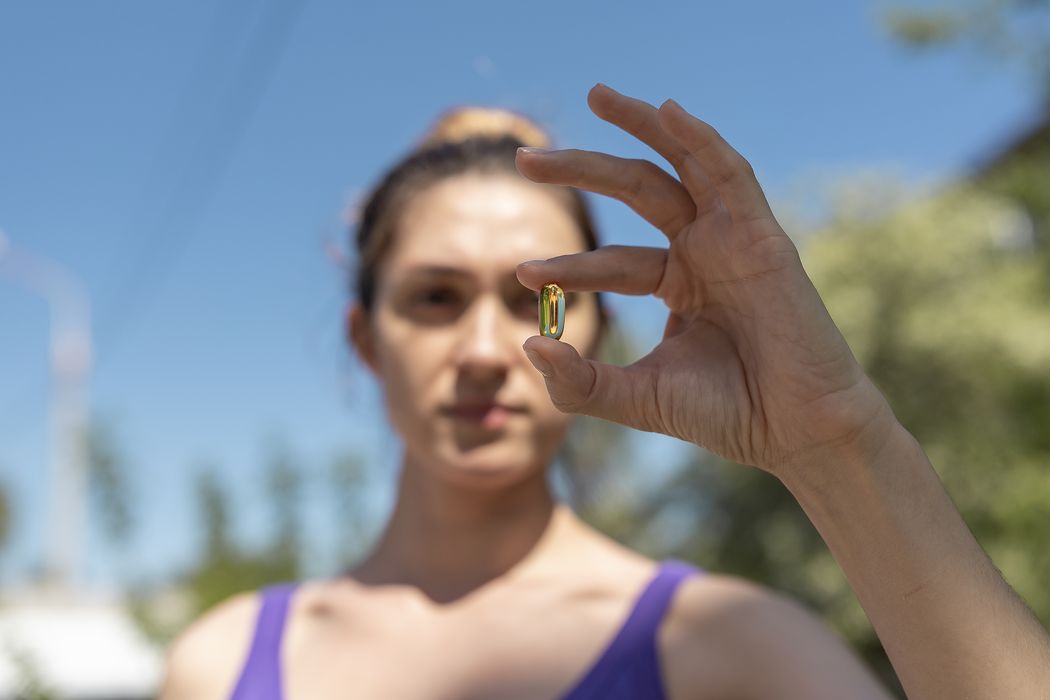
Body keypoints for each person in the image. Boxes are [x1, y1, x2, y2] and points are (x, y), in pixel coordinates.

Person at [159, 84, 1050, 699]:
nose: (481, 349)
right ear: (364, 339)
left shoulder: (721, 643)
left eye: (534, 299)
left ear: (599, 329)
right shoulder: (222, 662)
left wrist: (837, 442)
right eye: (434, 299)